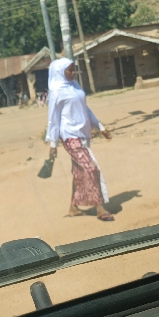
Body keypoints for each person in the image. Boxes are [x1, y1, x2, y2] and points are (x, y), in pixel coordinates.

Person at [45, 57, 114, 221]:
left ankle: (73, 207)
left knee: (79, 172)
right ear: (60, 72)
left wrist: (100, 127)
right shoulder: (56, 91)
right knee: (91, 168)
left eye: (74, 69)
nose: (74, 73)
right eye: (70, 70)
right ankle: (100, 208)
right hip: (70, 137)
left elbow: (85, 109)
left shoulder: (74, 86)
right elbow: (53, 118)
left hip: (83, 134)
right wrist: (53, 144)